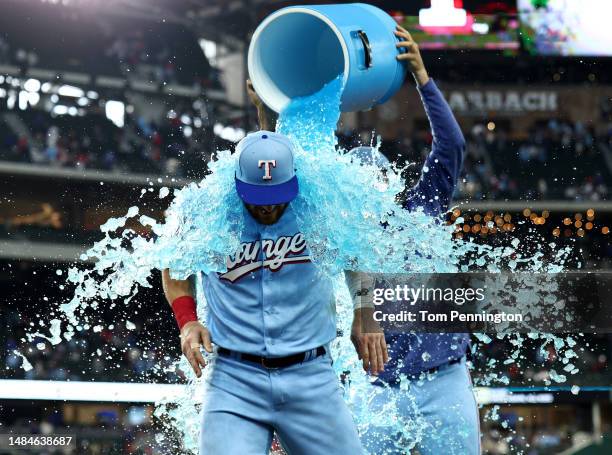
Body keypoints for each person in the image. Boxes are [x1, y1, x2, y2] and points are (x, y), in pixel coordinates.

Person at [161, 99, 388, 452]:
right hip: (233, 380)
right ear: (235, 183)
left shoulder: (322, 200)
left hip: (312, 377)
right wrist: (188, 321)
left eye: (276, 196)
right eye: (257, 198)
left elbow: (356, 250)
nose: (267, 206)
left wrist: (364, 310)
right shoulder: (204, 208)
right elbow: (174, 265)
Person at [347, 25, 480, 455]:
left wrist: (422, 77)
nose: (370, 188)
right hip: (377, 387)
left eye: (376, 179)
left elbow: (451, 144)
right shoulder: (344, 234)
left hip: (444, 379)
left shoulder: (422, 207)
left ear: (389, 181)